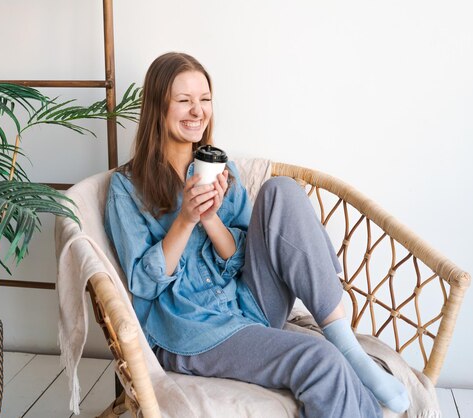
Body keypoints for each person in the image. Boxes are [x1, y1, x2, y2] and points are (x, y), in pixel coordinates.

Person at [104, 52, 409, 418]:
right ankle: (341, 356)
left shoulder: (222, 169)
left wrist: (212, 219)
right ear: (158, 107)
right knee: (318, 360)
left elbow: (249, 255)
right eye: (184, 101)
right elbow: (141, 283)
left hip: (246, 302)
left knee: (281, 190)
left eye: (204, 100)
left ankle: (347, 346)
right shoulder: (126, 187)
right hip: (191, 329)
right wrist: (185, 220)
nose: (197, 111)